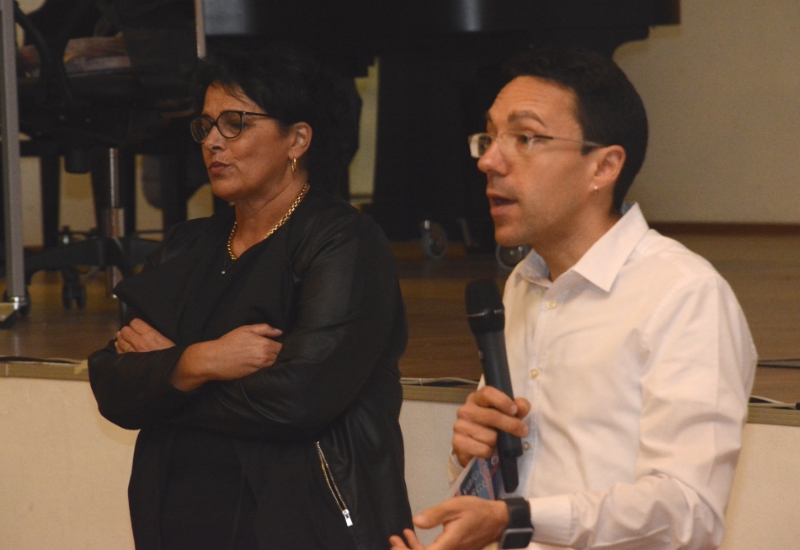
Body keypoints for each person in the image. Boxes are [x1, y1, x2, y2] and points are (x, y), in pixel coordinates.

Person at [390, 47, 757, 550]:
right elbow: (519, 488)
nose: (490, 161)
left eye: (525, 138)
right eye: (489, 137)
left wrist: (517, 517)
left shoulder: (684, 294)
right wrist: (474, 458)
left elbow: (687, 512)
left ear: (603, 166)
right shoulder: (524, 283)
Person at [88, 46, 412, 550]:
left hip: (305, 522)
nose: (212, 142)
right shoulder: (187, 244)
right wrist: (202, 360)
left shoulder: (343, 241)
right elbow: (113, 381)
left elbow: (297, 399)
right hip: (179, 521)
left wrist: (170, 376)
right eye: (205, 126)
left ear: (297, 139)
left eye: (235, 123)